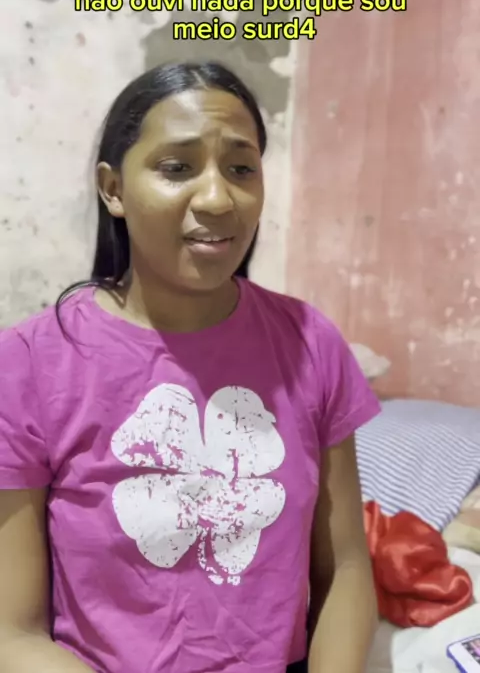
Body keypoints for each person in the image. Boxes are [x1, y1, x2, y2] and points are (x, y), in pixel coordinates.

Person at [0, 61, 380, 673]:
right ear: (113, 189)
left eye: (241, 169)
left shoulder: (310, 344)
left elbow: (345, 570)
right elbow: (12, 632)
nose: (217, 198)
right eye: (177, 168)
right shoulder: (27, 363)